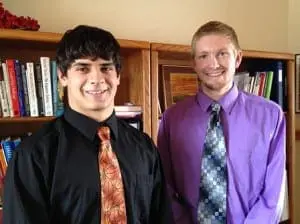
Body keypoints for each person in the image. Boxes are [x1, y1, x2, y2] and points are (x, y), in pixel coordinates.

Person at [3, 25, 172, 224]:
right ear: (63, 76)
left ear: (117, 75)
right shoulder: (33, 155)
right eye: (83, 68)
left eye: (106, 68)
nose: (97, 79)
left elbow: (161, 217)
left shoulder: (144, 147)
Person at [157, 21, 286, 224]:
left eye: (222, 53)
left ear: (238, 58)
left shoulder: (271, 116)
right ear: (194, 63)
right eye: (203, 56)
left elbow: (272, 194)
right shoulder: (171, 119)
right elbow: (166, 187)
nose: (213, 64)